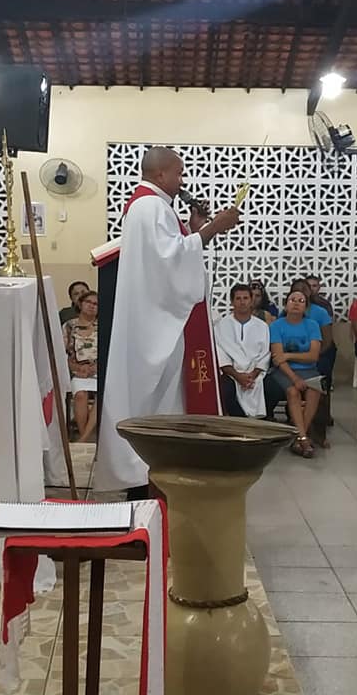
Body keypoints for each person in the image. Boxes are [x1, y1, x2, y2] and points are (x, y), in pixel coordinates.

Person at [95, 147, 240, 497]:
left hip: (159, 323)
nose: (182, 179)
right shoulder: (149, 206)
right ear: (160, 174)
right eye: (178, 172)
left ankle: (162, 481)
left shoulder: (157, 206)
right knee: (153, 401)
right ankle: (144, 486)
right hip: (154, 328)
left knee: (164, 403)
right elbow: (168, 261)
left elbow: (172, 253)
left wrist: (193, 229)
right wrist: (213, 229)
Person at [269, 290, 323, 458]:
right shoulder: (276, 326)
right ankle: (303, 439)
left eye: (301, 300)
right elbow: (278, 359)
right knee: (293, 392)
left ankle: (300, 437)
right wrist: (294, 378)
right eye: (292, 300)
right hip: (285, 371)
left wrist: (289, 355)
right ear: (286, 304)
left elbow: (313, 356)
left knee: (314, 391)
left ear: (305, 307)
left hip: (309, 370)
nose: (296, 303)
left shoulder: (312, 325)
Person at [215, 284, 271, 418]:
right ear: (232, 301)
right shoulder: (221, 325)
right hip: (231, 374)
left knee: (272, 388)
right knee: (225, 390)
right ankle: (240, 423)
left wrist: (254, 374)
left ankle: (263, 425)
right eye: (238, 298)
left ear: (251, 300)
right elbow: (221, 354)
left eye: (245, 298)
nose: (242, 302)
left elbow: (265, 354)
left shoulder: (262, 326)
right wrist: (237, 376)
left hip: (255, 374)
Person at [63, 290, 99, 443]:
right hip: (77, 371)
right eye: (88, 302)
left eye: (96, 304)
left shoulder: (103, 326)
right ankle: (85, 435)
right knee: (80, 395)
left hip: (98, 371)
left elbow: (109, 351)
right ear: (80, 304)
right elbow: (62, 352)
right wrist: (75, 368)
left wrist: (94, 368)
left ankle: (83, 439)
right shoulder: (69, 326)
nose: (92, 306)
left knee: (103, 397)